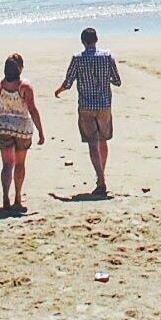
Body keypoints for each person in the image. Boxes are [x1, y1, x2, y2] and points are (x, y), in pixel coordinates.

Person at [54, 26, 122, 197]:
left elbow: (68, 82)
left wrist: (58, 91)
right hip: (104, 104)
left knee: (92, 142)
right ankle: (101, 176)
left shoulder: (77, 59)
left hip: (86, 105)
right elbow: (117, 81)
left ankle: (100, 178)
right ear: (96, 40)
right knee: (103, 140)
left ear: (83, 42)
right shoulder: (107, 57)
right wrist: (104, 79)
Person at [0, 52, 45, 214]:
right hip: (22, 128)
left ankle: (5, 197)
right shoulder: (25, 87)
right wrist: (41, 131)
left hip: (3, 127)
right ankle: (17, 197)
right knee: (20, 164)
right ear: (20, 69)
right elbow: (32, 109)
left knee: (7, 165)